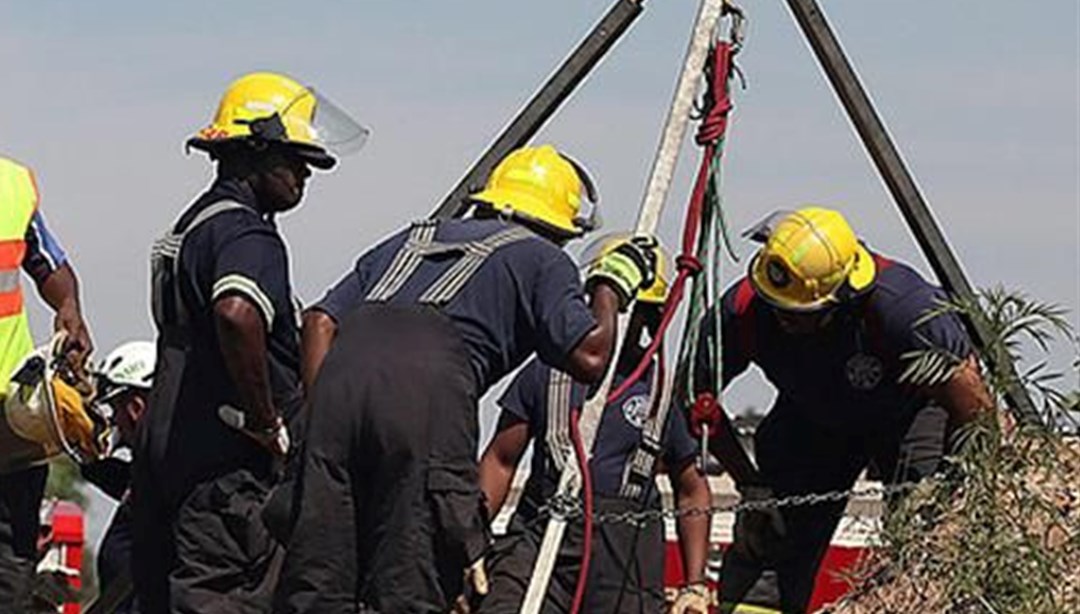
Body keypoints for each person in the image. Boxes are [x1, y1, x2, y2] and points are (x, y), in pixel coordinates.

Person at [274, 144, 658, 613]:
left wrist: (318, 420)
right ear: (559, 227)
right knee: (410, 577)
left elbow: (318, 322)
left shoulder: (412, 238)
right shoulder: (542, 258)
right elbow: (591, 356)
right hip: (426, 398)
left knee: (319, 577)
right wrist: (609, 287)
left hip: (338, 389)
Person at [132, 71, 366, 613]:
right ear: (254, 151)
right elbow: (237, 314)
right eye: (295, 159)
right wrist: (265, 420)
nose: (304, 174)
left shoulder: (193, 225)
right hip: (226, 472)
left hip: (169, 455)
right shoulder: (247, 234)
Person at [688, 207, 995, 613]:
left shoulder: (903, 308)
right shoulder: (744, 309)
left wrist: (958, 487)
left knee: (926, 539)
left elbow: (973, 404)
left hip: (911, 415)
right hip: (812, 418)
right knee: (769, 537)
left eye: (798, 313)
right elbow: (693, 395)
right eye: (776, 305)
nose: (783, 319)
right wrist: (750, 483)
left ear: (842, 295)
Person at [475, 238, 712, 614]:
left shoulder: (663, 391)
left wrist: (695, 583)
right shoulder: (546, 371)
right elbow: (501, 460)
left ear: (650, 316)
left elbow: (691, 489)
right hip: (540, 538)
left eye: (623, 308)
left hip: (625, 562)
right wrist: (469, 542)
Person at [0, 155, 92, 612]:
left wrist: (69, 307)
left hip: (10, 420)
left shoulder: (13, 186)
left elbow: (51, 264)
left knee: (11, 566)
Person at [80, 340, 156, 614]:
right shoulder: (152, 474)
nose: (113, 422)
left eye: (115, 409)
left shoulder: (164, 481)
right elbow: (99, 471)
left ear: (136, 408)